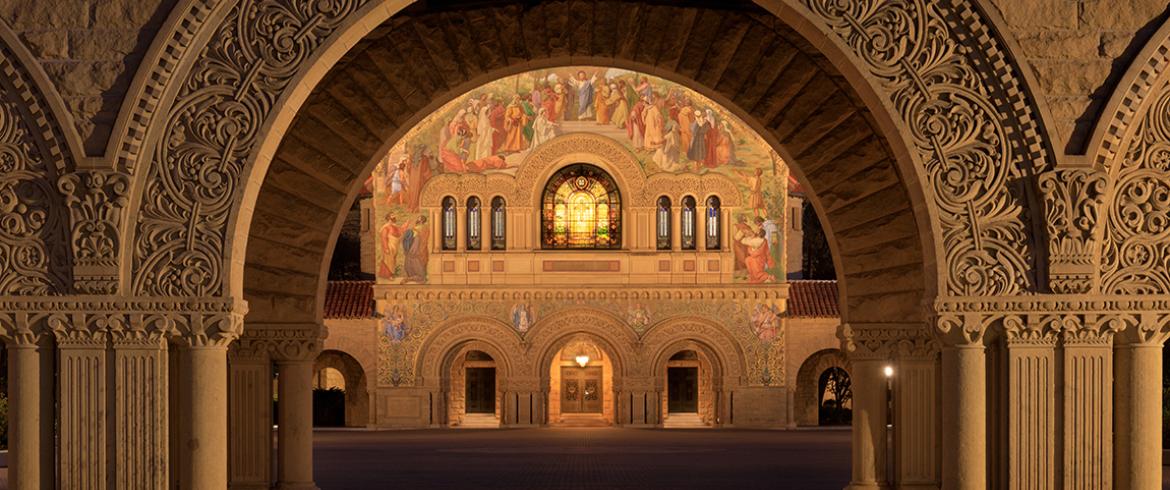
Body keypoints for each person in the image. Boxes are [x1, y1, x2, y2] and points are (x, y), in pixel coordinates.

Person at [379, 214, 410, 279]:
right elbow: (383, 238)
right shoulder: (385, 227)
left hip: (395, 247)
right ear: (389, 218)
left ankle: (391, 274)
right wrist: (386, 248)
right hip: (389, 246)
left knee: (392, 261)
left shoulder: (394, 226)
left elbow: (401, 230)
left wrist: (406, 224)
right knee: (388, 261)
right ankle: (388, 275)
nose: (395, 216)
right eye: (392, 215)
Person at [402, 215, 430, 283]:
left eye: (419, 219)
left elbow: (411, 237)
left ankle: (413, 277)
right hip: (420, 247)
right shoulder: (424, 228)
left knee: (415, 259)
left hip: (417, 247)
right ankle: (414, 276)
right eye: (418, 218)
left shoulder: (418, 229)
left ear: (421, 221)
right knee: (418, 260)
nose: (417, 220)